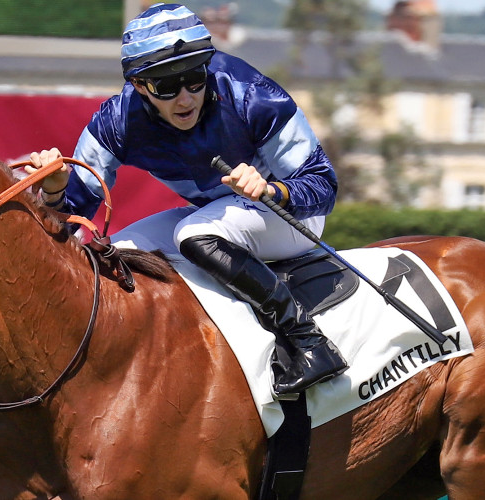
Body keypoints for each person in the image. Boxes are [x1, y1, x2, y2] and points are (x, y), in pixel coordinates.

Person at [27, 2, 346, 397]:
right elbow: (68, 226)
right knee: (115, 258)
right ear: (139, 85)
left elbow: (324, 186)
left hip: (290, 217)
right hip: (217, 216)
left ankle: (308, 341)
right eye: (167, 87)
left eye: (195, 79)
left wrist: (271, 189)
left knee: (193, 233)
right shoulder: (116, 122)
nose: (185, 99)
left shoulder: (253, 96)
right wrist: (55, 190)